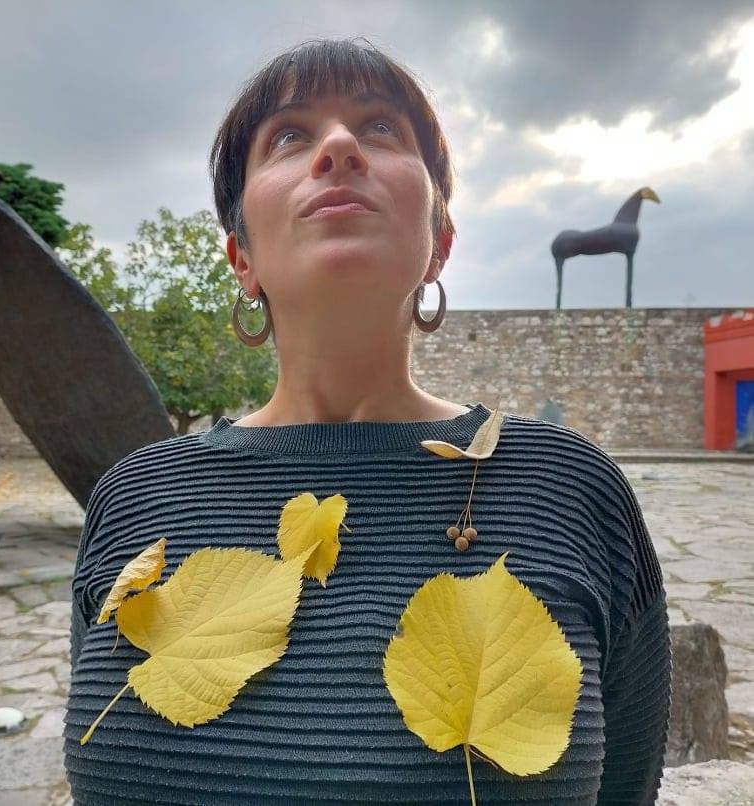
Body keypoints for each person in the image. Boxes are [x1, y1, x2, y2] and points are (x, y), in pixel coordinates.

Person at [64, 37, 671, 805]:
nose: (340, 146)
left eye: (381, 127)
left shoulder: (569, 489)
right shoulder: (134, 498)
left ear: (438, 245)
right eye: (289, 135)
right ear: (241, 257)